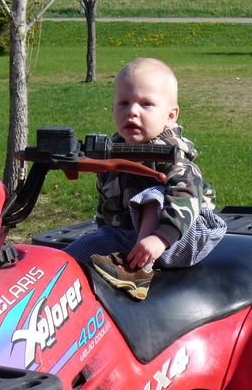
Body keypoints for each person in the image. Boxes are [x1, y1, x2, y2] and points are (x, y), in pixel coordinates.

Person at [64, 57, 226, 300]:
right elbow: (106, 200)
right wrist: (103, 232)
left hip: (182, 236)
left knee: (152, 193)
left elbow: (187, 196)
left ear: (171, 115)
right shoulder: (112, 152)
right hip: (128, 239)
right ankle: (57, 277)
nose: (132, 111)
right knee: (76, 252)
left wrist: (160, 238)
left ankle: (138, 274)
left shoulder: (171, 152)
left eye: (146, 104)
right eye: (123, 103)